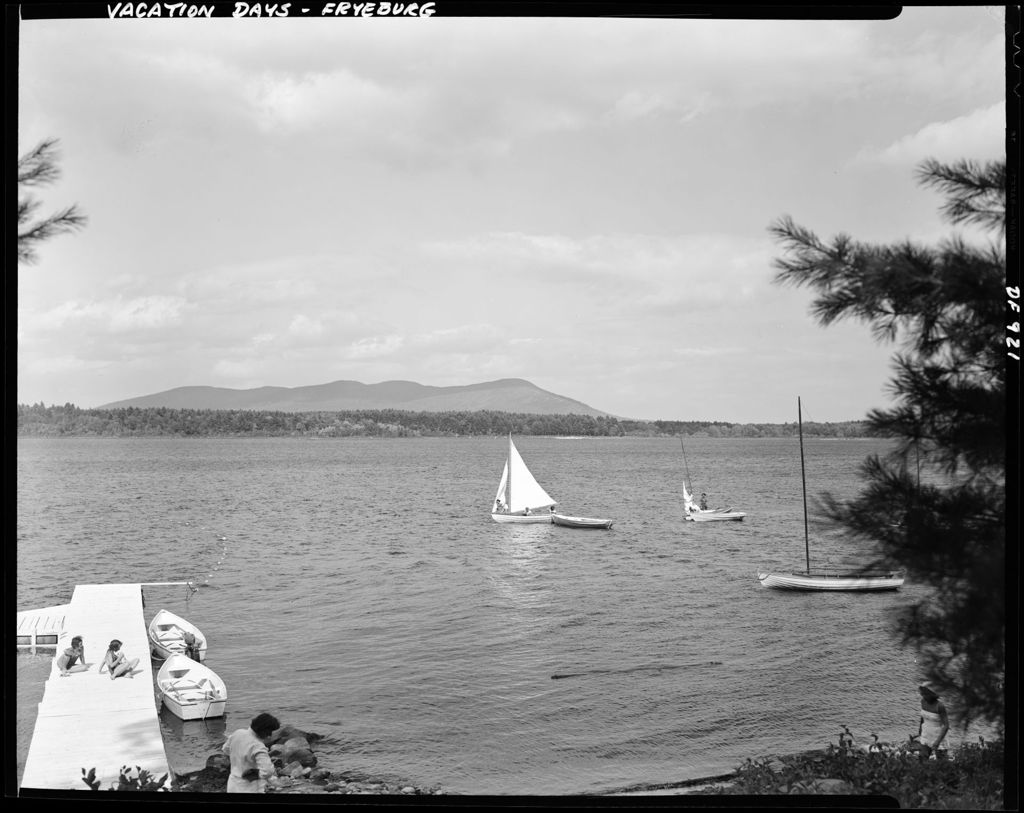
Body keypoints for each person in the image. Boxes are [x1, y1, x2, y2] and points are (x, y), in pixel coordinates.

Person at [223, 712, 281, 793]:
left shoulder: (237, 733)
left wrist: (242, 759)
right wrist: (256, 773)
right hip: (250, 787)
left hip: (233, 783)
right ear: (263, 730)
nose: (270, 735)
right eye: (270, 731)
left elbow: (225, 749)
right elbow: (268, 771)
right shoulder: (258, 746)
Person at [913, 683, 950, 760]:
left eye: (926, 694)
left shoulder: (939, 706)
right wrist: (920, 731)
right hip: (925, 734)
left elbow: (946, 725)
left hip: (938, 735)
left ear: (932, 694)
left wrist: (937, 742)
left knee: (942, 762)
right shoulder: (923, 701)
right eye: (922, 694)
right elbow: (923, 717)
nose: (923, 696)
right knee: (922, 759)